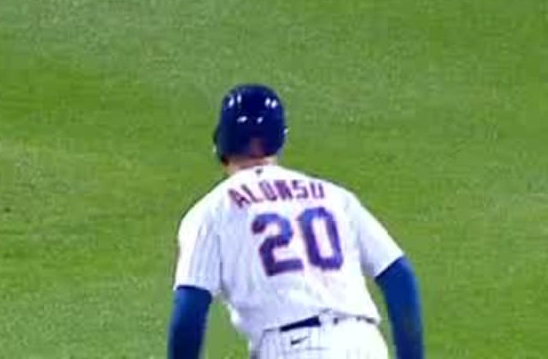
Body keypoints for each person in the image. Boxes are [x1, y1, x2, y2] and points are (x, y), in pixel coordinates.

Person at [168, 84, 425, 359]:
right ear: (279, 139)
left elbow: (190, 313)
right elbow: (399, 276)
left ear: (221, 143)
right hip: (365, 344)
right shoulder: (334, 196)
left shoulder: (212, 211)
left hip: (294, 348)